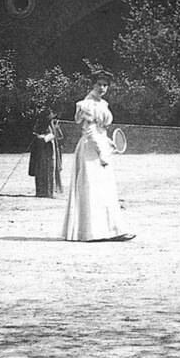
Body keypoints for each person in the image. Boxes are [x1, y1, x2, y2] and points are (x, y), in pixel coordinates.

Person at [62, 75, 134, 241]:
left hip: (100, 145)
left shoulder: (103, 104)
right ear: (92, 85)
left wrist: (108, 142)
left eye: (105, 85)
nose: (102, 88)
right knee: (92, 188)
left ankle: (112, 231)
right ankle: (91, 233)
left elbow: (101, 131)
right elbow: (90, 131)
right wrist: (101, 153)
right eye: (99, 84)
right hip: (90, 150)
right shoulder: (86, 104)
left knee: (105, 189)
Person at [28, 109, 63, 197]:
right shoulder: (40, 124)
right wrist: (43, 137)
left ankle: (50, 191)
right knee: (42, 169)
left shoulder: (53, 124)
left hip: (51, 150)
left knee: (51, 169)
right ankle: (41, 192)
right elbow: (36, 136)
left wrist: (56, 130)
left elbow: (59, 137)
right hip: (42, 151)